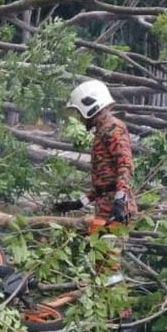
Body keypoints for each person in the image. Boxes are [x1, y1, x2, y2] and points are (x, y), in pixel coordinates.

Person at [54, 79, 137, 224]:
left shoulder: (113, 129)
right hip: (105, 209)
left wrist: (120, 201)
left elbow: (125, 166)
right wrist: (79, 203)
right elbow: (103, 186)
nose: (80, 118)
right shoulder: (102, 131)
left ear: (90, 106)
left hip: (117, 213)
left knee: (111, 246)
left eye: (79, 112)